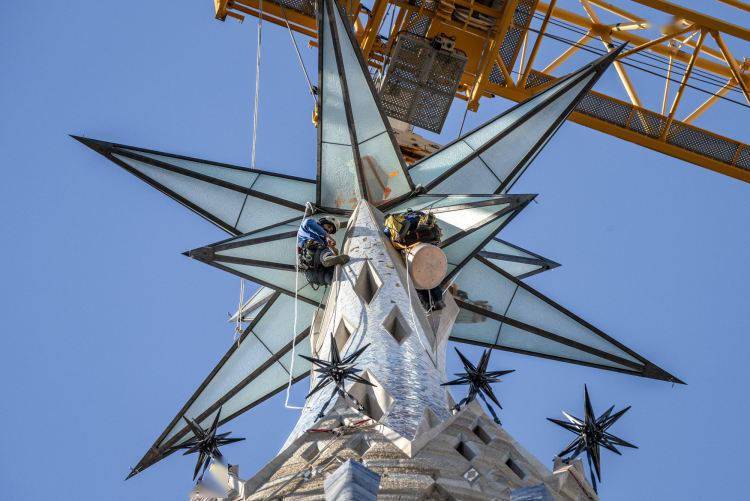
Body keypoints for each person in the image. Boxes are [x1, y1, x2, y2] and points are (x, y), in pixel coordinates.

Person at [383, 209, 445, 310]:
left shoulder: (394, 223)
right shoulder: (413, 218)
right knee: (429, 277)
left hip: (414, 251)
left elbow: (390, 235)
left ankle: (429, 304)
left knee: (419, 281)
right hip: (424, 249)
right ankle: (438, 301)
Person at [297, 217, 350, 286]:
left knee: (335, 277)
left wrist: (333, 249)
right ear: (323, 222)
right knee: (324, 250)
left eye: (330, 231)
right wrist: (328, 236)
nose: (329, 230)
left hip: (316, 275)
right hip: (312, 255)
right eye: (329, 226)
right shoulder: (308, 223)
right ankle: (326, 258)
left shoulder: (324, 241)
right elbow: (309, 224)